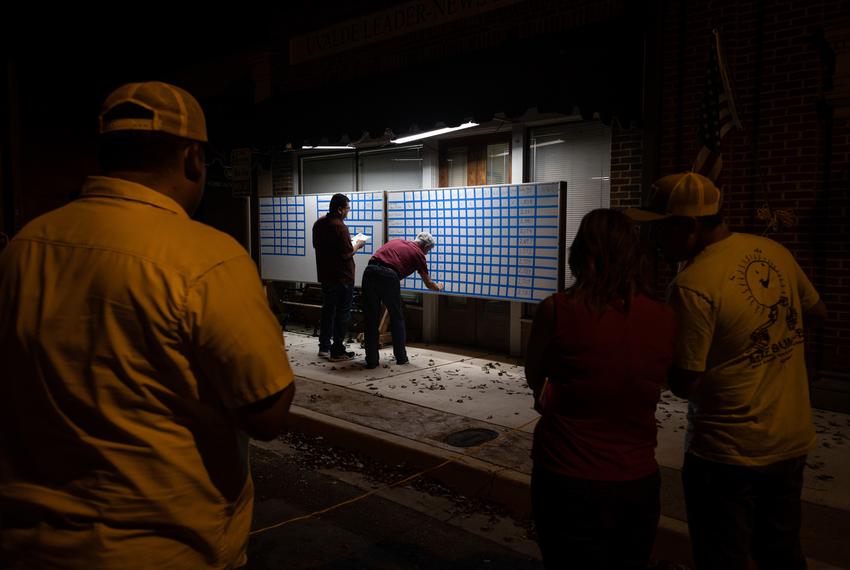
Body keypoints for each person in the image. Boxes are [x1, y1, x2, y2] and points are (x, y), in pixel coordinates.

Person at [0, 81, 296, 569]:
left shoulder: (23, 248)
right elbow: (266, 413)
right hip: (163, 550)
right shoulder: (205, 258)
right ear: (192, 158)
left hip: (27, 544)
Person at [626, 172, 828, 570]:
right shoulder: (773, 251)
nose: (655, 241)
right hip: (791, 437)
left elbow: (686, 382)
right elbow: (817, 311)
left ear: (687, 226)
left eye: (660, 229)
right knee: (782, 553)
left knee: (723, 558)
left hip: (727, 451)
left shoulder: (692, 284)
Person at [524, 208, 675, 569]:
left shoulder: (556, 310)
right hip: (637, 478)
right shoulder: (665, 317)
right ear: (634, 255)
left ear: (579, 252)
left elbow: (535, 378)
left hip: (566, 476)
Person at [362, 232, 442, 369]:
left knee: (370, 318)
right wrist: (438, 287)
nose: (427, 253)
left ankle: (371, 360)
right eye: (428, 250)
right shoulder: (419, 254)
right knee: (396, 317)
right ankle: (401, 357)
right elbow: (428, 283)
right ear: (426, 246)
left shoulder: (397, 241)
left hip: (369, 272)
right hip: (388, 275)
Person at [312, 193, 365, 361]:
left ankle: (324, 347)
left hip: (326, 275)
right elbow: (346, 253)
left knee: (328, 311)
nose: (348, 212)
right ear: (340, 209)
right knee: (342, 313)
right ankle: (337, 351)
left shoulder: (319, 223)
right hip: (342, 277)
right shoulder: (340, 227)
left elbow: (319, 245)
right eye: (348, 208)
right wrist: (357, 244)